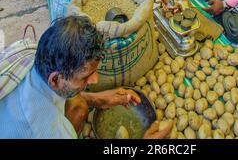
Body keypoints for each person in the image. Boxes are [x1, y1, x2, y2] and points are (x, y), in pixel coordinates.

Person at [0, 16, 172, 139]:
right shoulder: (43, 128)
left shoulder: (34, 53)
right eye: (85, 77)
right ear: (55, 79)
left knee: (79, 105)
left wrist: (97, 99)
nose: (95, 80)